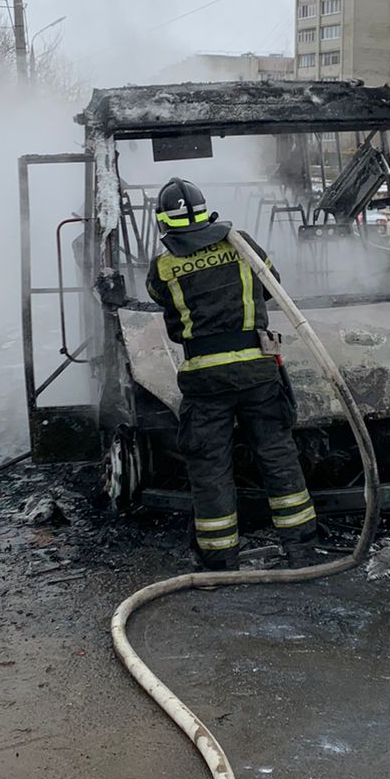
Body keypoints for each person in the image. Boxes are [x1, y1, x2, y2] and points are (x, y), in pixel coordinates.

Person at [145, 177, 317, 570]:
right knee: (278, 456)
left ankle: (220, 558)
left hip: (205, 381)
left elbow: (170, 318)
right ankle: (302, 549)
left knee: (209, 466)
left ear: (163, 222)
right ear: (207, 211)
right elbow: (272, 288)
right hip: (258, 373)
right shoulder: (241, 244)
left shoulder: (165, 265)